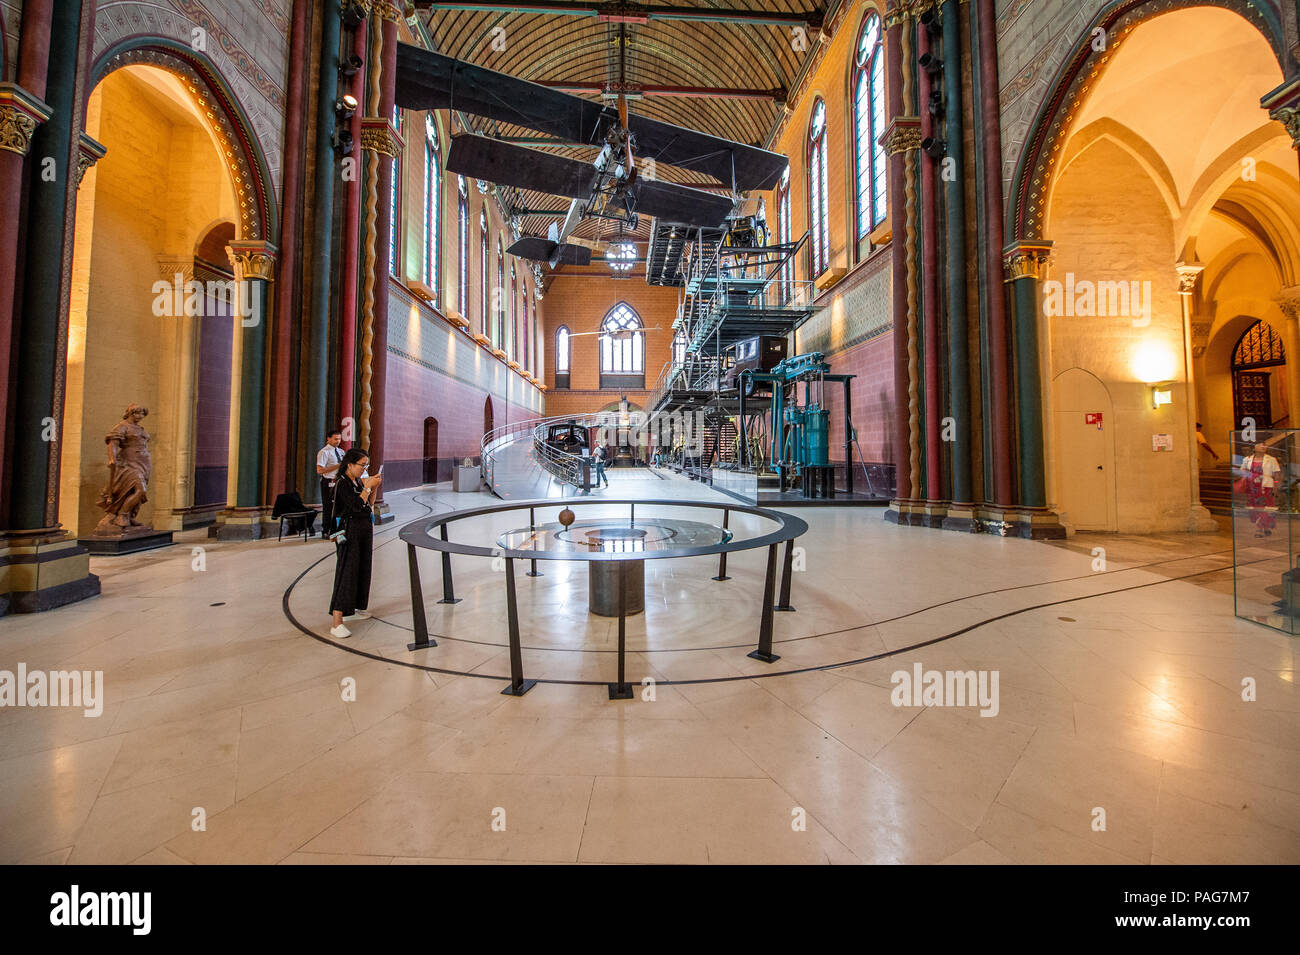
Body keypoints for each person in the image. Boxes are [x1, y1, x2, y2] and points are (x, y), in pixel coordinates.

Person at [329, 447, 382, 638]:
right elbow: (356, 505)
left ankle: (354, 607)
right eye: (361, 465)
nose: (364, 469)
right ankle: (337, 621)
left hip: (364, 528)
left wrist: (373, 488)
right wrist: (367, 487)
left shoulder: (356, 481)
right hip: (349, 531)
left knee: (362, 568)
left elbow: (368, 505)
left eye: (366, 465)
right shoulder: (342, 484)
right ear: (350, 465)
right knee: (347, 572)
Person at [1237, 442, 1281, 538]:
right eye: (1261, 445)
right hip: (1252, 487)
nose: (1263, 447)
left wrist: (1276, 486)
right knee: (1255, 507)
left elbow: (1277, 475)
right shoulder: (1247, 459)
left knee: (1266, 507)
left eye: (1265, 445)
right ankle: (1263, 527)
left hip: (1266, 486)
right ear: (1254, 447)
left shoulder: (1271, 459)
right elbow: (1242, 471)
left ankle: (1261, 528)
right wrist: (1249, 476)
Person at [316, 429, 344, 538]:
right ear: (328, 439)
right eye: (335, 439)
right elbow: (320, 470)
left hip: (339, 481)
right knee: (328, 506)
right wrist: (338, 466)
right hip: (328, 481)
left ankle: (337, 529)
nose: (338, 441)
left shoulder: (341, 451)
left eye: (339, 439)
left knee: (339, 506)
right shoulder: (324, 452)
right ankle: (326, 530)